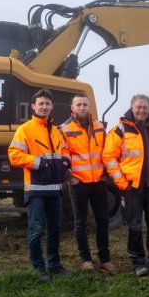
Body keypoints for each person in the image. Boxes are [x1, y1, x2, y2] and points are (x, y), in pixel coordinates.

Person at [103, 94, 149, 277]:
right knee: (134, 226)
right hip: (132, 188)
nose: (142, 110)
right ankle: (138, 262)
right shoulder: (120, 129)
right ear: (132, 108)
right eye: (138, 107)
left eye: (145, 107)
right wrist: (122, 183)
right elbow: (109, 158)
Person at [8, 89, 71, 282]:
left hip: (55, 190)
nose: (44, 107)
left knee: (55, 229)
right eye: (41, 104)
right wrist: (38, 162)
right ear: (33, 106)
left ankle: (54, 265)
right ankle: (38, 269)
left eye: (47, 104)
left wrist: (66, 161)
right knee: (35, 230)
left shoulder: (57, 130)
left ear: (52, 107)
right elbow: (14, 155)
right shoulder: (25, 129)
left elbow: (65, 149)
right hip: (35, 190)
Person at [60, 94, 117, 274]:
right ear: (72, 108)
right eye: (79, 105)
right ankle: (86, 260)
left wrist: (105, 175)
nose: (82, 107)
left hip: (99, 182)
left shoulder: (100, 127)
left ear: (89, 107)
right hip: (79, 183)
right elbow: (62, 155)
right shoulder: (64, 129)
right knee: (80, 222)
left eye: (85, 104)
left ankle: (105, 260)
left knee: (103, 221)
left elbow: (107, 152)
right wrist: (70, 178)